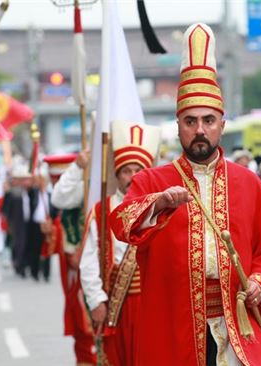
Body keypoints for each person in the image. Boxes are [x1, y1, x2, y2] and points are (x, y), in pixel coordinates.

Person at [109, 23, 261, 366]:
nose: (200, 129)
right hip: (170, 326)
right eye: (190, 121)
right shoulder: (151, 180)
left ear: (222, 123)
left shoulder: (250, 183)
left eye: (208, 120)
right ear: (178, 126)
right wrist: (159, 203)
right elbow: (121, 222)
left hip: (236, 324)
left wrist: (260, 284)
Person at [80, 123, 161, 365]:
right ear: (117, 174)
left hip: (152, 305)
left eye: (139, 170)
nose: (132, 177)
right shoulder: (101, 211)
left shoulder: (160, 209)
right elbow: (89, 262)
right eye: (126, 170)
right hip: (117, 305)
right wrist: (96, 300)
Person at [43, 153, 97, 365]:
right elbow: (49, 249)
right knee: (82, 329)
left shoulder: (94, 195)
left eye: (60, 179)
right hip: (76, 281)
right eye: (54, 180)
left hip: (98, 275)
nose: (56, 184)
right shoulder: (63, 215)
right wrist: (48, 234)